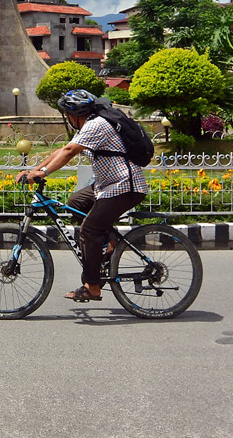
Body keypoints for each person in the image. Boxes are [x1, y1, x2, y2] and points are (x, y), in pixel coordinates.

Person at [16, 89, 148, 302]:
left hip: (124, 187)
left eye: (68, 115)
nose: (68, 120)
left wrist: (43, 173)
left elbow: (69, 153)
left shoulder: (97, 125)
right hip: (107, 186)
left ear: (75, 114)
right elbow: (63, 149)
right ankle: (110, 241)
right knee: (76, 202)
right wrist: (35, 170)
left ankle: (93, 286)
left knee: (89, 229)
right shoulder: (90, 124)